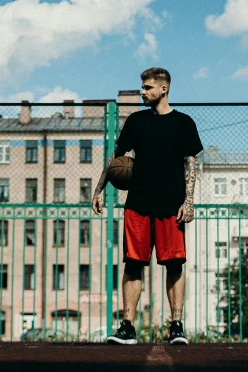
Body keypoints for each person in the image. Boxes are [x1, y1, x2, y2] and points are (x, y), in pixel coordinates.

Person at [92, 67, 203, 345]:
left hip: (171, 205)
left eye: (148, 88)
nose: (143, 92)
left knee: (174, 265)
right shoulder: (136, 121)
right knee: (133, 264)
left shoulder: (184, 123)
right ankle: (127, 326)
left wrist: (188, 202)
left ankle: (176, 326)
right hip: (138, 204)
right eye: (142, 87)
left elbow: (190, 162)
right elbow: (116, 158)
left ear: (164, 89)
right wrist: (99, 189)